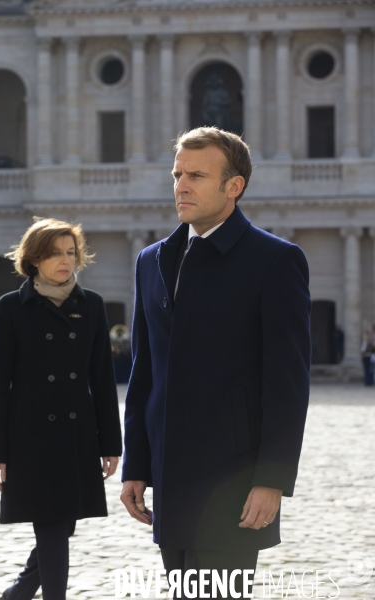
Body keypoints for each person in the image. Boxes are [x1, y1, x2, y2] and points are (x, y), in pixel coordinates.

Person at [120, 127, 311, 599]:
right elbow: (145, 373)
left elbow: (287, 385)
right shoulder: (151, 260)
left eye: (196, 175)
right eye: (178, 174)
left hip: (234, 482)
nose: (181, 185)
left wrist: (272, 480)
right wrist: (136, 465)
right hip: (169, 477)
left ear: (234, 186)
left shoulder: (276, 260)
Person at [0, 217, 122, 600]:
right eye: (55, 253)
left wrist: (111, 444)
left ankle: (19, 592)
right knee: (51, 525)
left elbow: (102, 379)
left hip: (78, 434)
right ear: (34, 260)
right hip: (30, 437)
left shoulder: (91, 305)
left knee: (62, 525)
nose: (66, 260)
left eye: (71, 252)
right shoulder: (11, 307)